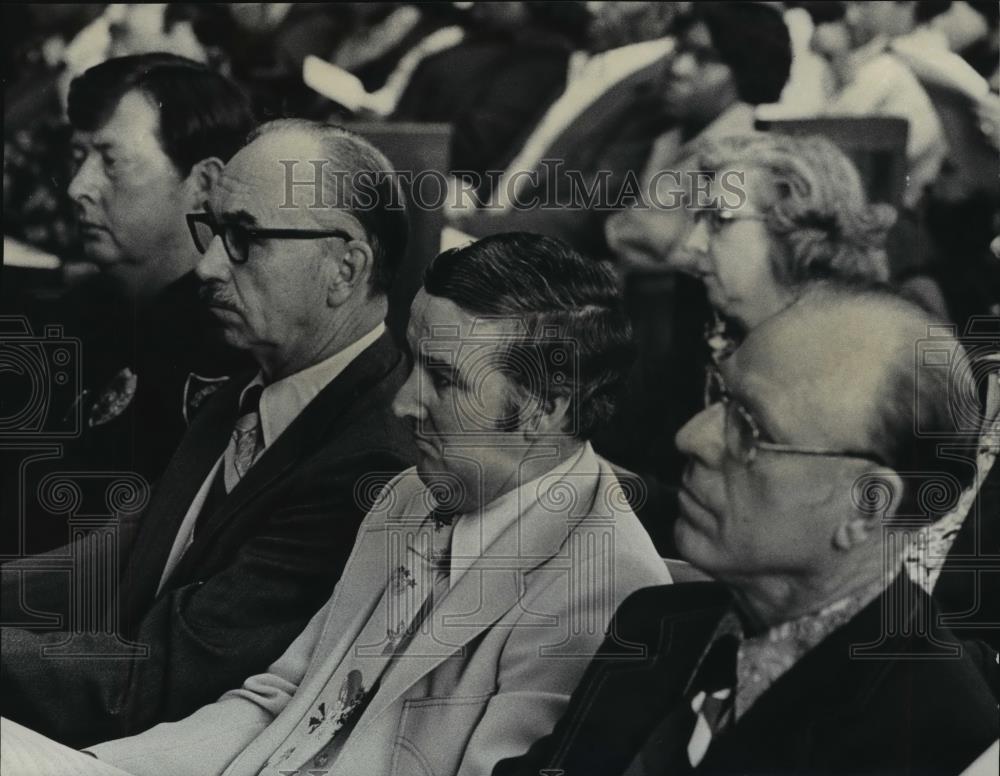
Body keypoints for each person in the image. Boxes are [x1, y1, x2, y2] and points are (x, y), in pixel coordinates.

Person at [84, 232, 671, 776]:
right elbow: (285, 700)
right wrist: (100, 768)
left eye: (443, 380)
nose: (403, 404)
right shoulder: (409, 495)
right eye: (413, 362)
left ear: (548, 406)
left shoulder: (604, 587)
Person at [0, 119, 416, 746]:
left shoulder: (371, 461)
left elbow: (153, 686)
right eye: (215, 231)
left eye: (245, 237)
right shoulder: (256, 381)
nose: (209, 267)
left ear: (345, 269)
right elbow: (120, 556)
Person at [494, 282, 999, 776]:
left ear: (867, 506)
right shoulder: (658, 624)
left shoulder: (934, 740)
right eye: (722, 397)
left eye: (751, 428)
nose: (692, 437)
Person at [3, 54, 256, 556]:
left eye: (110, 161)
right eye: (81, 158)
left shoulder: (230, 348)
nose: (78, 187)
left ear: (204, 184)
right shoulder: (82, 308)